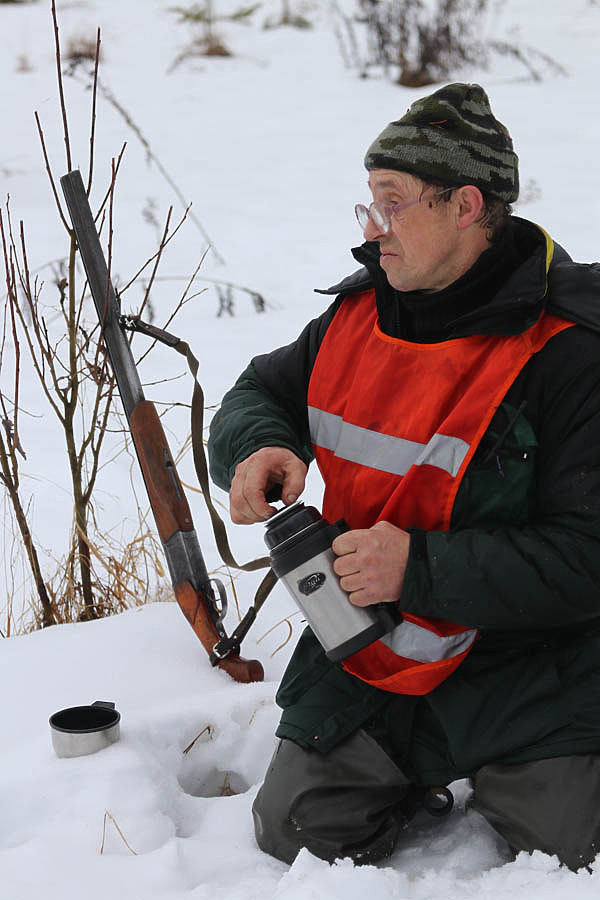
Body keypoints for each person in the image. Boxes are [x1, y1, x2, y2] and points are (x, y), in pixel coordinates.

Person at [207, 82, 600, 871]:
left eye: (391, 202)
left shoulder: (572, 349)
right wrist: (256, 448)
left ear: (464, 205)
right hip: (371, 648)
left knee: (568, 847)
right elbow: (259, 390)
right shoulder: (361, 312)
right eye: (368, 203)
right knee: (293, 832)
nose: (371, 227)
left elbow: (587, 559)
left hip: (532, 657)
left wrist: (416, 567)